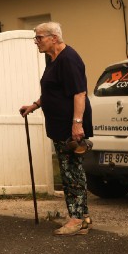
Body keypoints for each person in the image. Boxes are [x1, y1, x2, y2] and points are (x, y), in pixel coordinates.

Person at [19, 22, 93, 236]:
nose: (36, 42)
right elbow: (53, 89)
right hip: (59, 124)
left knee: (72, 172)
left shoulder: (69, 59)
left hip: (70, 126)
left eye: (39, 38)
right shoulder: (52, 58)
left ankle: (77, 219)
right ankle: (83, 218)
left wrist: (77, 124)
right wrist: (35, 105)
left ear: (53, 37)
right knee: (69, 170)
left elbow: (79, 93)